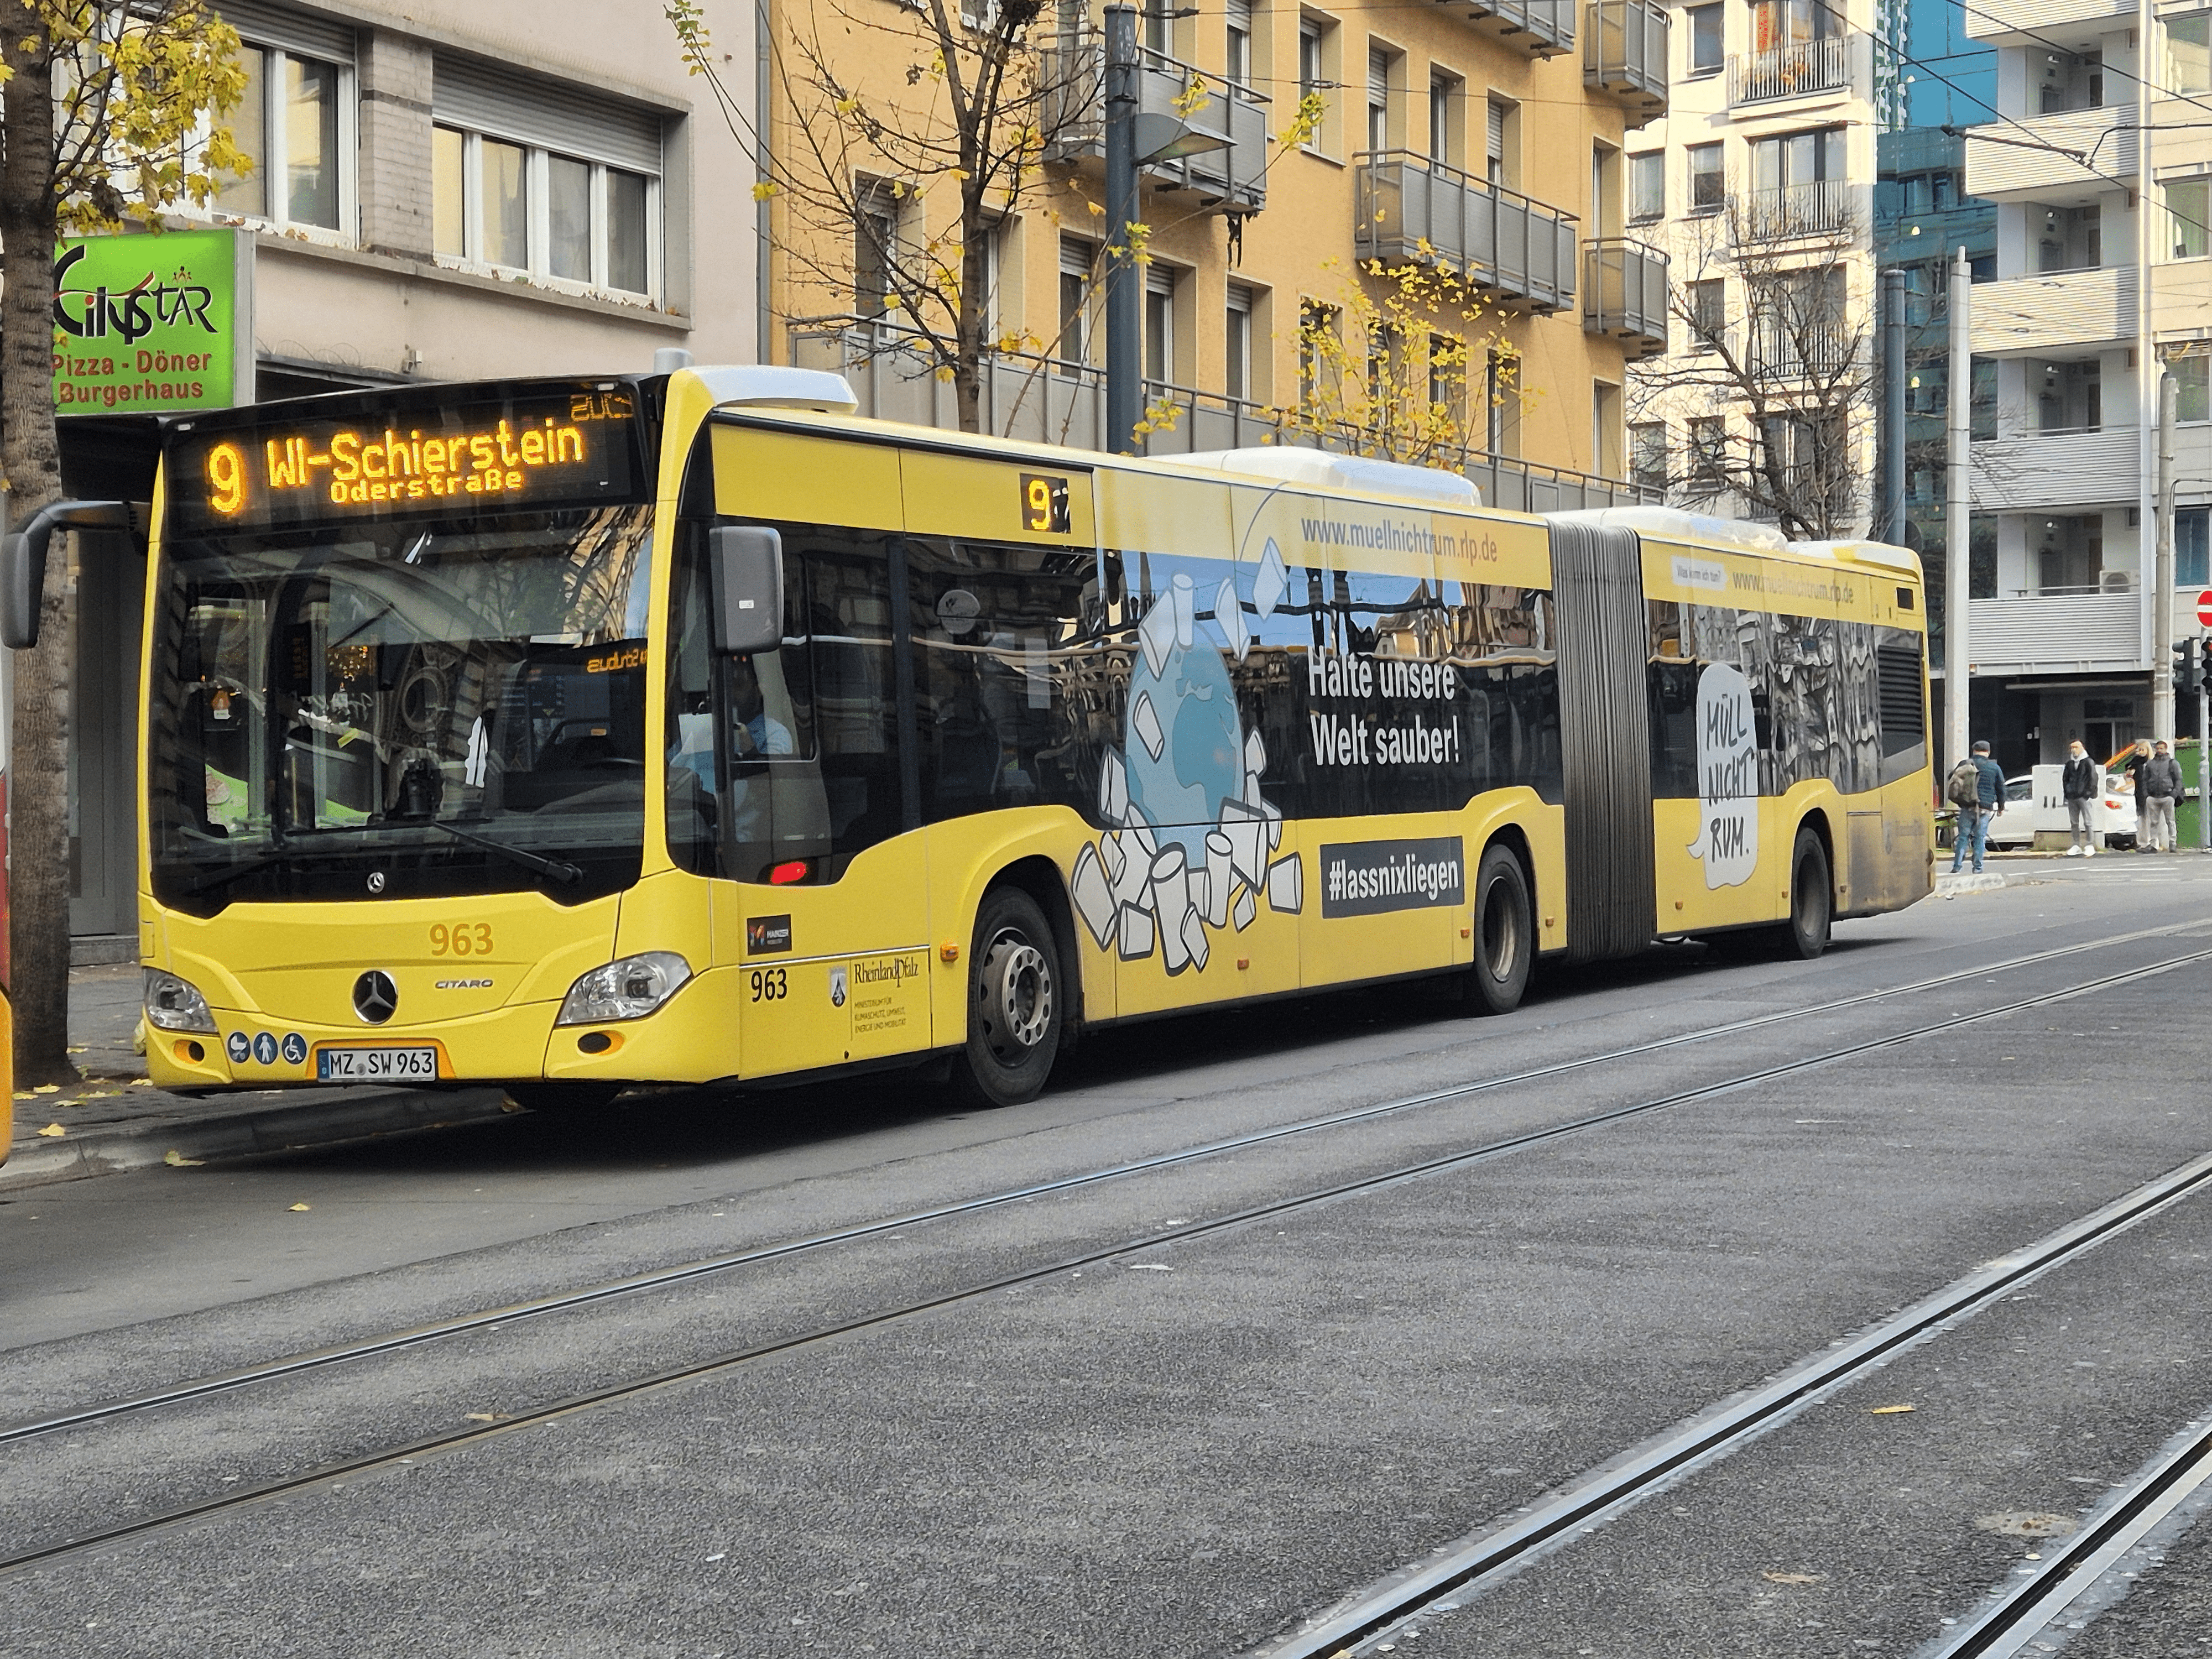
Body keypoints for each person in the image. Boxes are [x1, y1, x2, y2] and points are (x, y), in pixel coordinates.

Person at [1950, 739, 2005, 874]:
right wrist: (2001, 806)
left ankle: (1957, 867)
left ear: (1973, 751)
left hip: (1967, 806)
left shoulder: (1965, 764)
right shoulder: (1994, 767)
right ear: (1988, 752)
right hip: (1985, 808)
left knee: (1963, 836)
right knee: (1980, 838)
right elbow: (2001, 788)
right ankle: (1978, 868)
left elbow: (1952, 779)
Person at [2138, 739, 2183, 853]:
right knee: (2153, 822)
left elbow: (2179, 780)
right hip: (2153, 797)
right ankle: (2154, 845)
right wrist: (2147, 795)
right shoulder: (2150, 764)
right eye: (2157, 749)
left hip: (2167, 795)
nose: (2159, 751)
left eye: (2161, 749)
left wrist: (2173, 794)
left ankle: (2172, 843)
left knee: (2170, 821)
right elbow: (2144, 780)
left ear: (2166, 749)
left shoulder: (2172, 763)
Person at [2062, 738, 2101, 857]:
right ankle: (2076, 845)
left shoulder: (2088, 762)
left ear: (2082, 748)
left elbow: (2093, 778)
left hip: (2083, 796)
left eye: (2076, 747)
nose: (2074, 750)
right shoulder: (2069, 764)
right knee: (2074, 822)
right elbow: (2065, 779)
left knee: (2088, 822)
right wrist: (2067, 793)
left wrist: (2089, 794)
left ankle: (2090, 844)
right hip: (2072, 796)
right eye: (2072, 748)